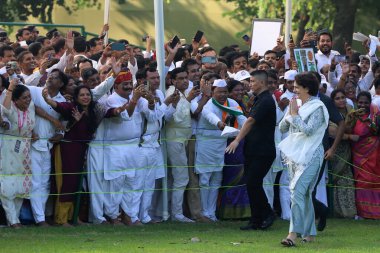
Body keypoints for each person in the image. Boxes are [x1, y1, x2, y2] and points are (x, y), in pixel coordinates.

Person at [42, 85, 115, 226]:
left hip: (81, 150)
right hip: (67, 150)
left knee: (76, 183)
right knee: (67, 182)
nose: (85, 97)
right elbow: (59, 106)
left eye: (88, 94)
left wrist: (127, 106)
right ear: (76, 97)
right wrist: (48, 99)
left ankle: (74, 217)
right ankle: (61, 219)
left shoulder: (95, 110)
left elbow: (110, 113)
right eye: (82, 95)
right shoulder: (72, 108)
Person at [278, 72, 329, 246]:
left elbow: (309, 130)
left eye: (297, 87)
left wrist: (294, 115)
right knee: (304, 193)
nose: (294, 90)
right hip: (294, 155)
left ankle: (292, 234)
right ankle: (310, 234)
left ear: (307, 88)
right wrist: (290, 114)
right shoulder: (296, 104)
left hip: (312, 155)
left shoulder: (318, 107)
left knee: (296, 190)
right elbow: (282, 126)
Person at [226, 70, 276, 230]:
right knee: (251, 184)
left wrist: (237, 140)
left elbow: (250, 121)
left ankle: (267, 213)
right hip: (254, 149)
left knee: (254, 182)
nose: (250, 84)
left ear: (261, 83)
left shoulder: (266, 100)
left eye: (253, 81)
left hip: (263, 150)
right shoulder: (259, 99)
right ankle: (256, 220)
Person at [0, 81, 35, 227]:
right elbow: (4, 109)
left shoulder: (31, 107)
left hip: (25, 151)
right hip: (8, 150)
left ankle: (14, 219)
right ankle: (13, 220)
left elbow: (32, 125)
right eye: (24, 98)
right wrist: (9, 89)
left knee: (22, 185)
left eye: (29, 97)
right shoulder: (10, 108)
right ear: (16, 100)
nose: (28, 100)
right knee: (7, 184)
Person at [218, 79, 250, 219]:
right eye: (236, 90)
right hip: (230, 143)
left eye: (241, 90)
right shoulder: (225, 107)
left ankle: (242, 212)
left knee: (242, 177)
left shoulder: (240, 105)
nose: (240, 92)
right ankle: (228, 213)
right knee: (232, 175)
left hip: (241, 142)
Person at [346, 91, 380, 219]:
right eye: (360, 102)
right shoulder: (353, 116)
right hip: (359, 154)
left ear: (370, 103)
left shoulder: (375, 115)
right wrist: (350, 120)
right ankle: (363, 212)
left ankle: (376, 212)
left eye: (366, 102)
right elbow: (348, 132)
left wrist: (370, 122)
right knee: (361, 181)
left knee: (374, 180)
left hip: (374, 153)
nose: (363, 105)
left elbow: (377, 131)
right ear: (356, 102)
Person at [329, 89, 357, 218]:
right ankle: (337, 212)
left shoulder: (350, 109)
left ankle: (349, 212)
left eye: (343, 97)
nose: (341, 100)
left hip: (347, 150)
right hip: (335, 149)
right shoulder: (330, 113)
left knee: (348, 180)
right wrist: (349, 136)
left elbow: (355, 127)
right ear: (333, 101)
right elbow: (333, 132)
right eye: (337, 98)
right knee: (337, 180)